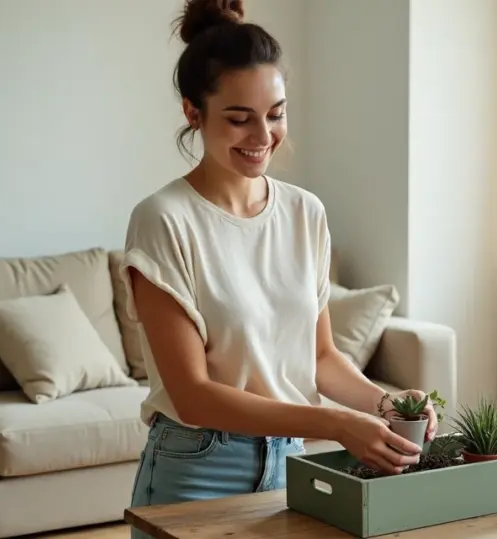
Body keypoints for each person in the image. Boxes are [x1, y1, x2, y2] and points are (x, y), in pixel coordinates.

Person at [120, 0, 438, 525]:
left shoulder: (304, 212)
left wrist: (386, 404)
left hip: (289, 461)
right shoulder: (163, 220)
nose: (264, 137)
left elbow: (320, 357)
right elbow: (192, 395)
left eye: (276, 113)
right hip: (197, 466)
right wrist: (336, 423)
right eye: (239, 119)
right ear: (192, 113)